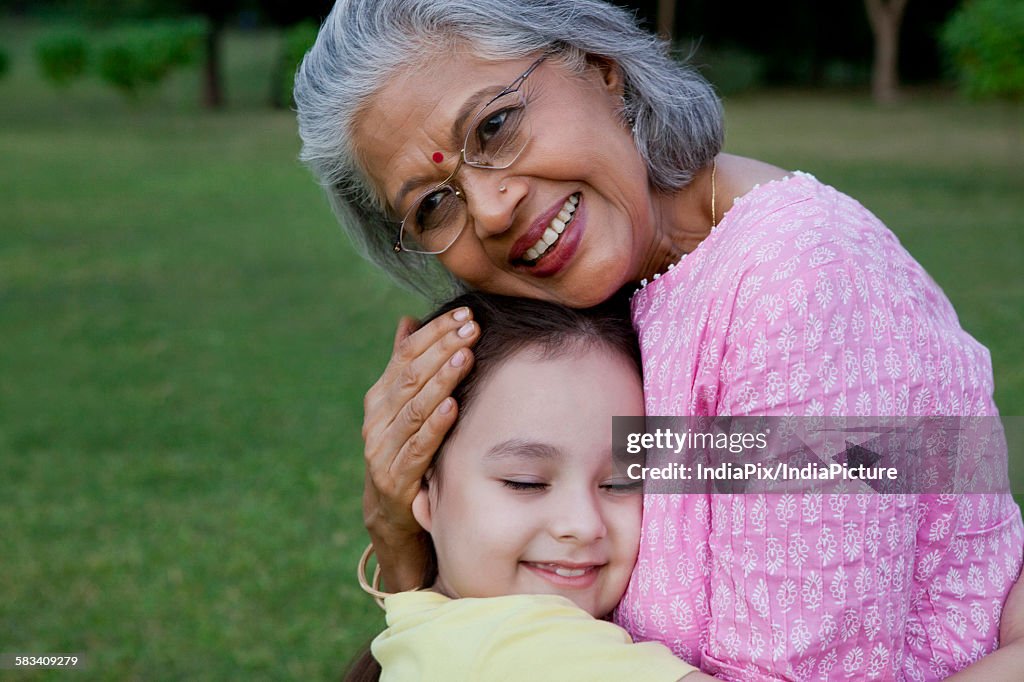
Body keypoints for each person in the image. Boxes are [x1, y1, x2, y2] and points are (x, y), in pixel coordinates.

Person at [294, 0, 1024, 677]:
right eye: (431, 205)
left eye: (494, 126)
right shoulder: (618, 294)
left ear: (602, 72)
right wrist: (400, 534)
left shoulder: (792, 283)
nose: (488, 208)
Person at [351, 292, 711, 681]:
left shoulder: (424, 632)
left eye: (619, 483)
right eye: (525, 483)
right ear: (421, 489)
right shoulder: (524, 648)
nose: (584, 524)